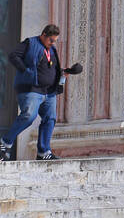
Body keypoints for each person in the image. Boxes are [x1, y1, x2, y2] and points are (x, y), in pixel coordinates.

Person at [1, 24, 82, 161]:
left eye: (55, 40)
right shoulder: (30, 43)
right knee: (28, 116)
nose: (52, 43)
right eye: (51, 40)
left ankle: (43, 152)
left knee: (50, 119)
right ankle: (5, 143)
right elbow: (13, 55)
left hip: (49, 92)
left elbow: (52, 69)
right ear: (43, 35)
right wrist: (26, 70)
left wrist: (64, 72)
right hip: (32, 89)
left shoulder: (52, 50)